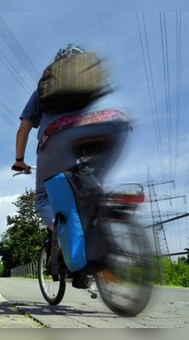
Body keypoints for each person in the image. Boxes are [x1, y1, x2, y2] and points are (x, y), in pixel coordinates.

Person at [13, 44, 131, 233]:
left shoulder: (44, 90)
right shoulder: (94, 80)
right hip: (114, 125)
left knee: (43, 199)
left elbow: (23, 129)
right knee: (95, 188)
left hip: (58, 137)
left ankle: (63, 237)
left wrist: (19, 160)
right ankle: (106, 224)